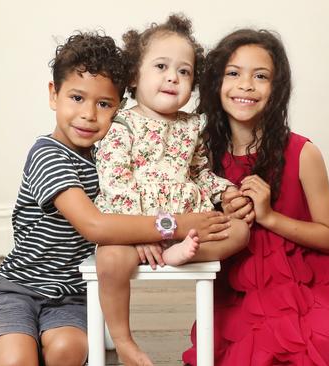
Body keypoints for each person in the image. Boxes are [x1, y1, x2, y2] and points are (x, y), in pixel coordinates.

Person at [0, 31, 229, 366]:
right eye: (77, 98)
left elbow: (132, 202)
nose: (88, 114)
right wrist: (172, 225)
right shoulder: (48, 155)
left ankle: (28, 340)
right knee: (15, 363)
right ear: (54, 95)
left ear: (120, 107)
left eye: (104, 104)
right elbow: (96, 226)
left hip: (73, 292)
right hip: (22, 286)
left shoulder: (109, 153)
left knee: (68, 353)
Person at [182, 29, 329, 365]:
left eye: (260, 76)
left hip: (305, 288)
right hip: (240, 290)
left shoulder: (303, 153)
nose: (246, 85)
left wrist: (269, 216)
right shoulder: (201, 155)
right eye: (233, 73)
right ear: (215, 83)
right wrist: (223, 208)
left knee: (313, 353)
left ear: (277, 89)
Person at [93, 14, 251, 366]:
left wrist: (225, 193)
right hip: (135, 226)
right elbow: (117, 180)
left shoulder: (193, 126)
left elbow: (199, 174)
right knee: (110, 259)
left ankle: (178, 252)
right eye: (162, 66)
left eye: (184, 72)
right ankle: (124, 341)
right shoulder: (122, 124)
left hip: (187, 226)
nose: (172, 77)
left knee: (239, 231)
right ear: (135, 75)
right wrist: (139, 231)